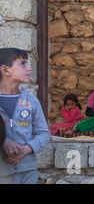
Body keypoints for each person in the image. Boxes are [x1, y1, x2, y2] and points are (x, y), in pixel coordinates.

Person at [0, 48, 50, 184]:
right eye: (23, 64)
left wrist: (26, 149)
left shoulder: (31, 101)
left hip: (27, 171)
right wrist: (3, 140)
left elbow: (44, 134)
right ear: (5, 70)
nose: (29, 69)